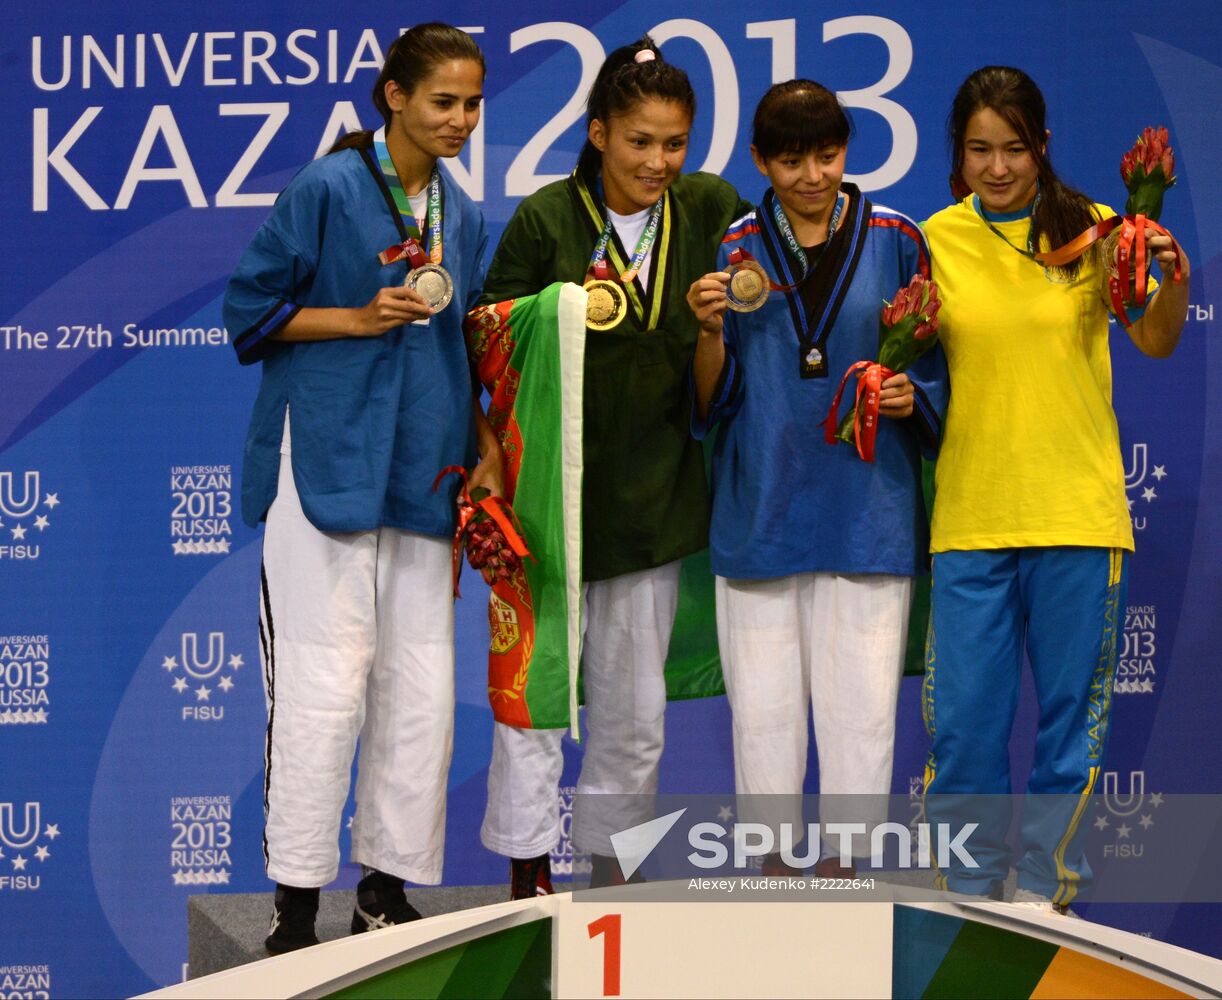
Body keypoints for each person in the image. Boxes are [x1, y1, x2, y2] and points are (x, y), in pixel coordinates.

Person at [223, 24, 500, 953]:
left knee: (419, 690)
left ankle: (384, 890)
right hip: (327, 463)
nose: (459, 120)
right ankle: (293, 908)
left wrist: (487, 447)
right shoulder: (329, 186)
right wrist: (357, 315)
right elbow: (249, 310)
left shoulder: (461, 214)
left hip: (426, 466)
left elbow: (466, 348)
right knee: (321, 686)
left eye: (470, 104)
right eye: (441, 102)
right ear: (393, 97)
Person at [475, 36, 749, 898]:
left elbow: (758, 299)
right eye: (640, 141)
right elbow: (483, 333)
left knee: (634, 718)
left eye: (675, 142)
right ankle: (526, 876)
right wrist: (556, 307)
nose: (659, 161)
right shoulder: (545, 220)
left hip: (655, 502)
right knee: (536, 702)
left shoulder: (709, 208)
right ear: (598, 132)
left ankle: (611, 878)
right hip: (548, 505)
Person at [920, 65, 1189, 910]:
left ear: (1043, 145)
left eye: (1015, 148)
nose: (997, 169)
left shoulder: (1100, 229)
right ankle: (966, 893)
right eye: (979, 151)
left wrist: (1172, 278)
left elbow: (1153, 341)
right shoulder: (932, 239)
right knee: (963, 729)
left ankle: (1044, 893)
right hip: (970, 516)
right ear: (957, 154)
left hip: (1077, 511)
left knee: (1069, 727)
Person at [685, 80, 946, 876]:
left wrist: (911, 394)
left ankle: (849, 872)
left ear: (847, 151)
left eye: (827, 156)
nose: (811, 175)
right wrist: (706, 331)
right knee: (762, 717)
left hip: (868, 508)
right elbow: (708, 400)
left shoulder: (899, 237)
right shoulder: (733, 247)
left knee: (862, 716)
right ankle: (771, 874)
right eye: (791, 159)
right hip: (760, 504)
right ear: (759, 160)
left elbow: (938, 364)